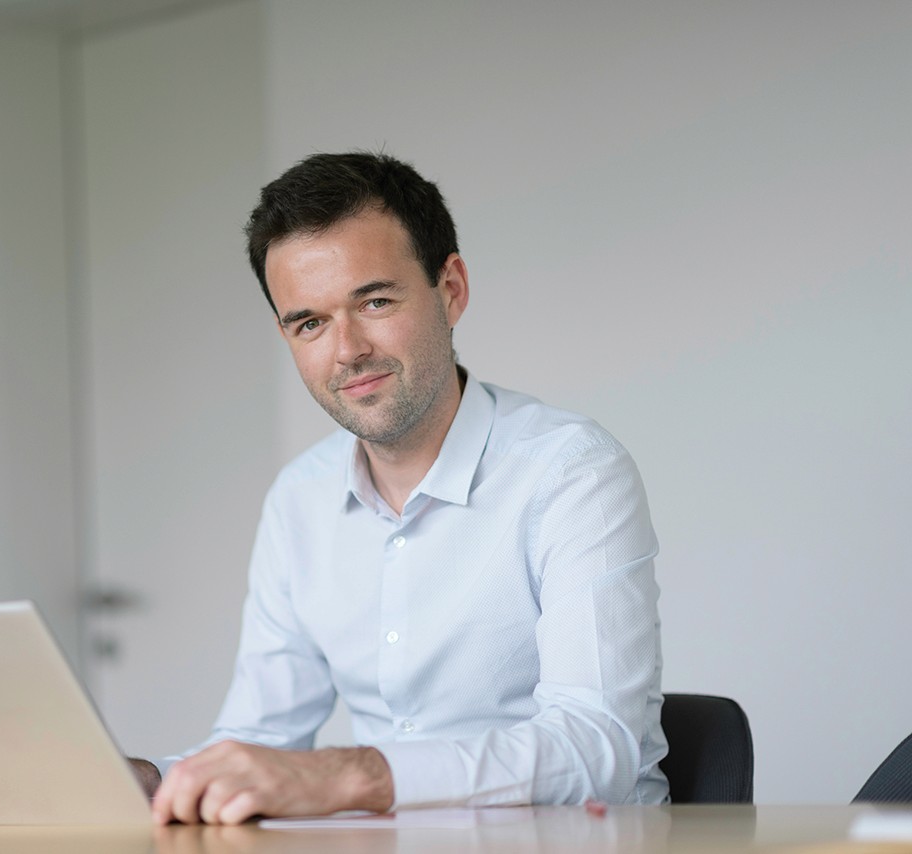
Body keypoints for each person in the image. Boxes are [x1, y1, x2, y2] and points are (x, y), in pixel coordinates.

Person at [130, 151, 667, 825]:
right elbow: (261, 739)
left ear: (452, 289)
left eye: (375, 301)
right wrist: (153, 779)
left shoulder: (571, 472)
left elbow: (597, 747)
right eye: (310, 323)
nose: (347, 349)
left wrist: (352, 774)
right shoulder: (299, 500)